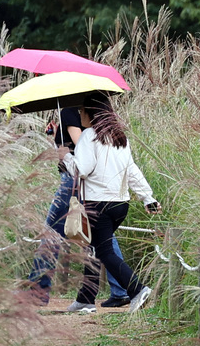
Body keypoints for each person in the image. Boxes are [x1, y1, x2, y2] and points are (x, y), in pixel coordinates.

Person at [24, 107, 132, 306]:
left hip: (73, 180)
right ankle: (121, 288)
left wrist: (62, 148)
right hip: (90, 181)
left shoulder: (69, 111)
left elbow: (81, 143)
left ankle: (37, 291)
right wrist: (57, 136)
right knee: (102, 236)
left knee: (52, 233)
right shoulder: (86, 110)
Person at [64, 95, 160, 314]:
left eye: (81, 110)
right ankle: (85, 298)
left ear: (91, 112)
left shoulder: (89, 135)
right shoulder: (119, 137)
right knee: (95, 248)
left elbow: (82, 170)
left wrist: (66, 156)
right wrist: (148, 197)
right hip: (119, 205)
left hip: (98, 204)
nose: (79, 115)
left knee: (105, 251)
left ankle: (137, 289)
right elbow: (132, 170)